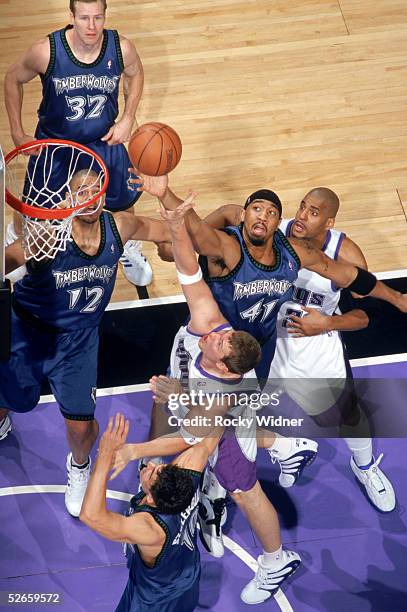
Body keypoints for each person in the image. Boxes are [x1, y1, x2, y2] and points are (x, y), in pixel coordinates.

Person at [141, 193, 303, 605]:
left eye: (220, 343)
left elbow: (192, 438)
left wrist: (129, 451)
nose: (215, 335)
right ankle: (286, 445)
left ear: (227, 368)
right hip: (185, 399)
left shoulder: (222, 396)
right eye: (223, 333)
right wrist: (178, 225)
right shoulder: (210, 322)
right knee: (167, 456)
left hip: (220, 422)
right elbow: (187, 270)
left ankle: (276, 559)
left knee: (243, 489)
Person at [0, 169, 169, 518]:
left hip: (79, 343)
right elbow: (6, 262)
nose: (90, 197)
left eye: (96, 191)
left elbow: (167, 231)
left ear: (104, 197)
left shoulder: (120, 227)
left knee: (80, 425)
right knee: (9, 399)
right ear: (69, 199)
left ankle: (79, 466)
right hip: (28, 334)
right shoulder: (48, 238)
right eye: (81, 191)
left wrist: (173, 238)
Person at [4, 0, 151, 286]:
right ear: (71, 16)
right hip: (56, 144)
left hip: (102, 139)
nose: (92, 26)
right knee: (33, 208)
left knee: (123, 201)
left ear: (105, 14)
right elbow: (12, 78)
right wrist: (18, 133)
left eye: (98, 17)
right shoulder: (47, 50)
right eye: (84, 18)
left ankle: (127, 247)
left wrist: (128, 118)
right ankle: (18, 237)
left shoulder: (121, 48)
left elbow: (136, 73)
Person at [267, 187, 396, 511]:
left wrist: (327, 323)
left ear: (329, 221)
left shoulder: (346, 255)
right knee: (237, 409)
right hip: (267, 339)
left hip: (315, 347)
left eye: (313, 212)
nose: (301, 216)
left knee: (345, 414)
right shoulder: (274, 232)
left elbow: (368, 317)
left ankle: (364, 466)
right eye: (302, 207)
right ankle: (232, 480)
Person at [80, 412, 223, 612]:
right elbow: (210, 433)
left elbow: (91, 516)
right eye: (160, 467)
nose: (153, 464)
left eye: (152, 473)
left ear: (151, 499)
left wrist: (104, 455)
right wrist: (133, 451)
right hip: (187, 573)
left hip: (155, 600)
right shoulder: (184, 477)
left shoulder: (149, 528)